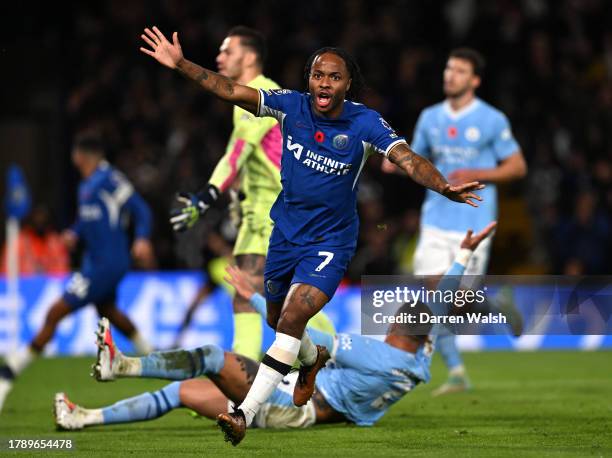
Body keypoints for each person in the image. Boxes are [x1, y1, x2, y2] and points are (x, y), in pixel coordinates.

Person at [139, 26, 484, 445]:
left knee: (290, 319)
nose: (325, 83)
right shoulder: (290, 106)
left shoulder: (365, 122)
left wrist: (442, 185)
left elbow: (407, 159)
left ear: (346, 84)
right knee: (276, 320)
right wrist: (180, 64)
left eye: (334, 77)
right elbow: (230, 90)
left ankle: (243, 414)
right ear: (309, 80)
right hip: (284, 234)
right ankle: (312, 360)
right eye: (319, 75)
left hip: (331, 242)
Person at [53, 221, 496, 434]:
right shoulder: (419, 353)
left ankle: (120, 365)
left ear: (402, 326)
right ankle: (84, 417)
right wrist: (462, 256)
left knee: (211, 358)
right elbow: (437, 308)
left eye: (398, 316)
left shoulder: (379, 354)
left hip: (290, 406)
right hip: (297, 397)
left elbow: (301, 331)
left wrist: (254, 291)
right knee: (179, 393)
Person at [384, 48, 527, 395]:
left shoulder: (492, 119)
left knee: (459, 302)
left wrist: (477, 171)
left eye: (460, 71)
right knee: (436, 297)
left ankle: (495, 305)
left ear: (474, 80)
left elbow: (517, 167)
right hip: (435, 220)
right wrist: (394, 162)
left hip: (474, 221)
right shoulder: (430, 117)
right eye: (449, 69)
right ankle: (457, 373)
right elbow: (415, 160)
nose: (450, 75)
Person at [0, 133, 154, 412]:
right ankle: (152, 354)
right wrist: (74, 232)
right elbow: (86, 219)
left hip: (107, 263)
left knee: (55, 313)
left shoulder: (110, 179)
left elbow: (141, 210)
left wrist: (141, 237)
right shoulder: (86, 185)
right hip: (95, 263)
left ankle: (9, 372)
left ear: (80, 156)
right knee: (108, 311)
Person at [171, 26, 290, 359]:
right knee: (252, 296)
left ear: (249, 57)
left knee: (269, 300)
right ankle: (243, 379)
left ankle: (336, 351)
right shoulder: (249, 96)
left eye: (227, 51)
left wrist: (206, 197)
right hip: (259, 214)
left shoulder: (263, 95)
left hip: (276, 212)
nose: (219, 57)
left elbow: (236, 154)